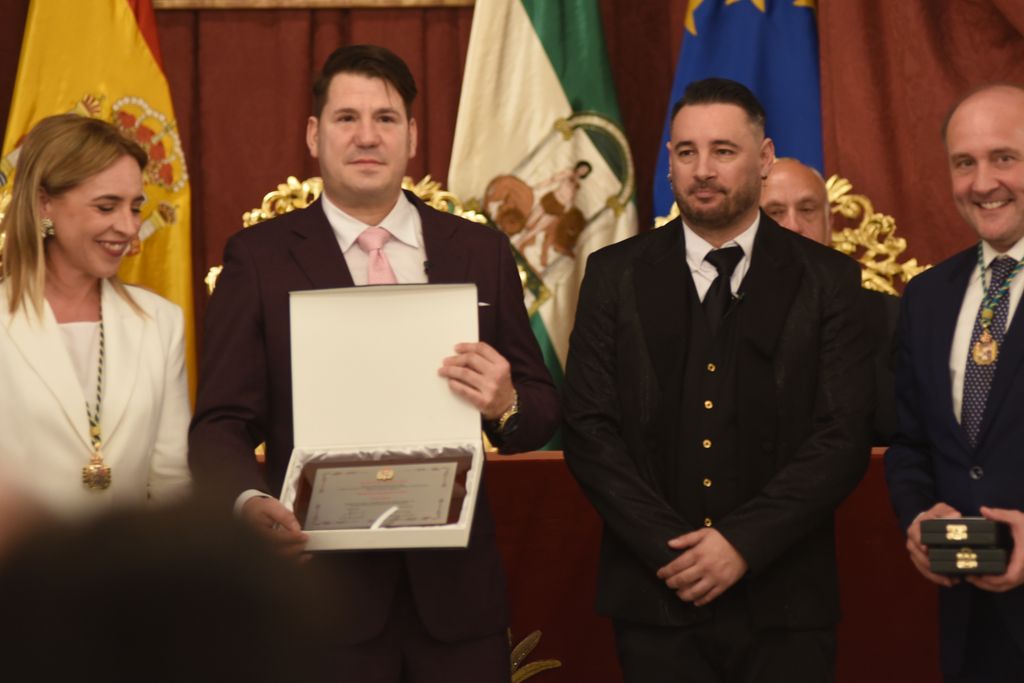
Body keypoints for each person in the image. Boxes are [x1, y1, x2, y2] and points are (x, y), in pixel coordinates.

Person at [188, 44, 559, 682]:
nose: (367, 136)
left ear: (413, 135)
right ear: (313, 134)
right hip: (319, 598)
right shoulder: (258, 258)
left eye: (386, 118)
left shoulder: (480, 251)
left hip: (457, 605)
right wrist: (248, 502)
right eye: (346, 118)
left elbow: (540, 411)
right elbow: (220, 422)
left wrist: (506, 403)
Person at [562, 77, 873, 682]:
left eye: (723, 152)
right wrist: (673, 552)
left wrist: (741, 546)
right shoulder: (612, 275)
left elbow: (842, 437)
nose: (702, 169)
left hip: (786, 605)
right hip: (654, 599)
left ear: (763, 160)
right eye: (686, 152)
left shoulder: (829, 279)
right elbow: (589, 430)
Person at [886, 83, 1024, 682]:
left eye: (1005, 158)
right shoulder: (926, 297)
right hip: (967, 623)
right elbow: (910, 442)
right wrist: (917, 517)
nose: (982, 182)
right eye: (964, 163)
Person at [0, 113, 191, 519]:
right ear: (43, 204)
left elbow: (171, 483)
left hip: (130, 576)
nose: (128, 227)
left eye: (136, 208)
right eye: (107, 206)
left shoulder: (161, 323)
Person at [762, 157, 899, 444]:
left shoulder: (891, 317)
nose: (793, 226)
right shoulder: (720, 317)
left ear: (830, 223)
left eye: (807, 209)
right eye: (775, 212)